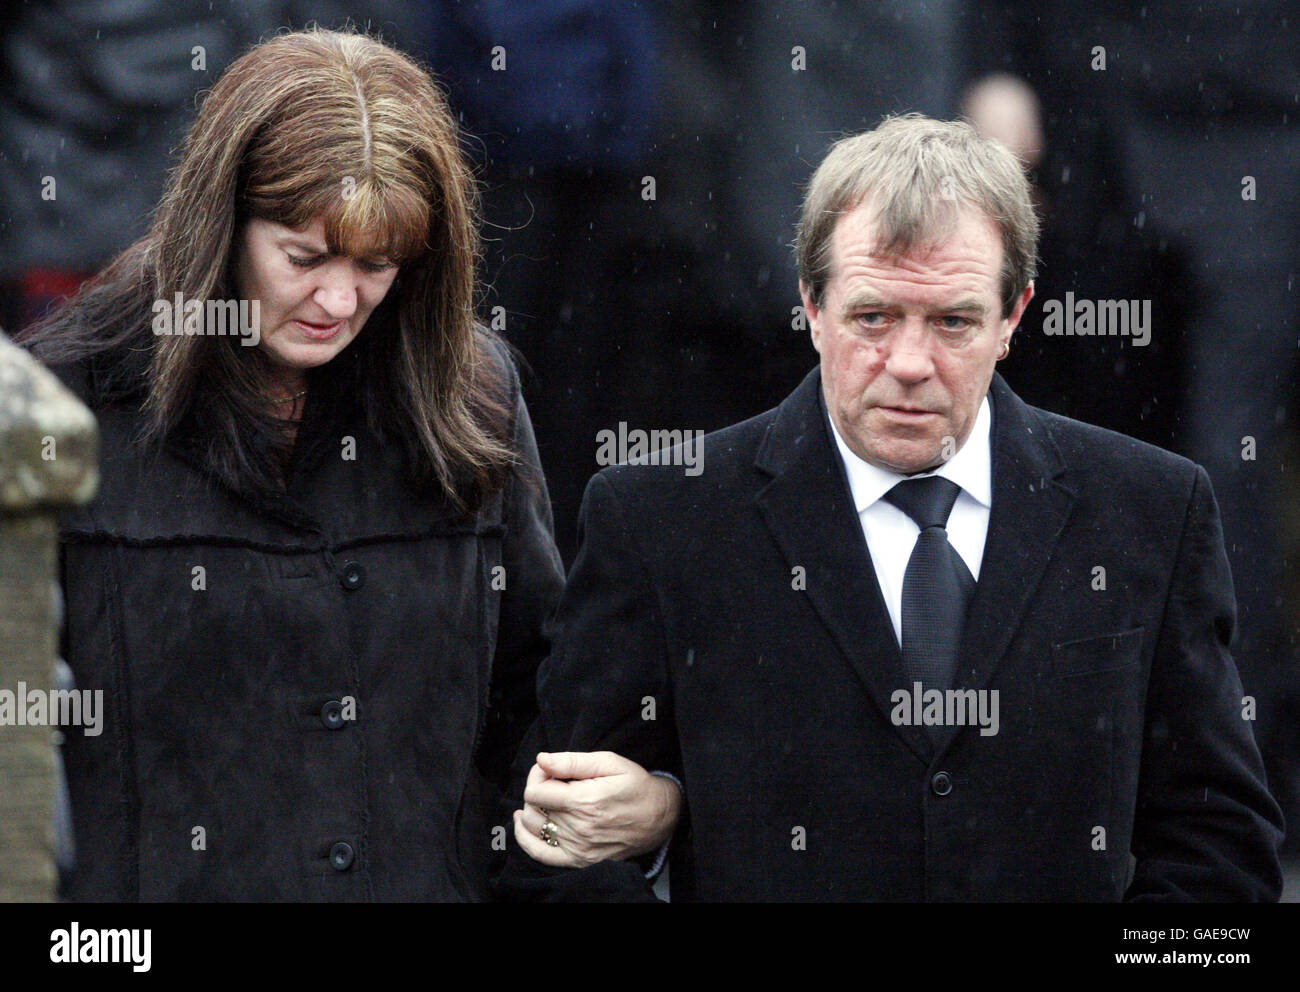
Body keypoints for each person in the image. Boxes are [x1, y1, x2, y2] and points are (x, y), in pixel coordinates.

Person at [502, 114, 1285, 901]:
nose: (910, 364)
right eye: (874, 317)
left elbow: (1220, 848)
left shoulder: (1152, 511)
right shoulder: (661, 519)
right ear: (811, 305)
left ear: (1013, 317)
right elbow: (552, 847)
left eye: (954, 321)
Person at [20, 27, 674, 901]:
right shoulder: (65, 401)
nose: (337, 301)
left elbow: (536, 702)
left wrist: (658, 802)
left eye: (376, 265)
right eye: (304, 257)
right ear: (221, 222)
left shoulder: (469, 391)